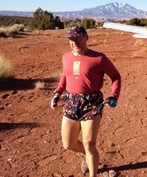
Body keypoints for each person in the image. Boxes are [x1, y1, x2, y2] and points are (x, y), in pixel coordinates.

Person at [50, 25, 121, 177]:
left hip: (92, 103)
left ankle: (92, 169)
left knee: (89, 144)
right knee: (68, 144)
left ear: (86, 38)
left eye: (78, 38)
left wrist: (113, 95)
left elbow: (116, 77)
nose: (74, 42)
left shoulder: (99, 58)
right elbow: (65, 76)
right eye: (71, 39)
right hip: (71, 102)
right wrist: (57, 93)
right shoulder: (66, 57)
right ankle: (88, 155)